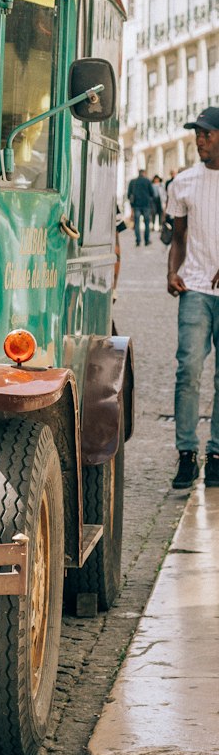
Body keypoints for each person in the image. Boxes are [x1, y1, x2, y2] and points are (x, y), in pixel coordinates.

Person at [166, 107, 219, 489]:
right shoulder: (183, 183)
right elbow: (178, 238)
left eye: (207, 134)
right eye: (196, 134)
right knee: (188, 372)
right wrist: (172, 271)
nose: (200, 140)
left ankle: (216, 455)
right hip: (196, 288)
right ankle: (186, 454)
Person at [126, 166, 155, 246]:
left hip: (136, 205)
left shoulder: (133, 182)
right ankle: (146, 240)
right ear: (144, 173)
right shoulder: (147, 181)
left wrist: (132, 204)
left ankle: (138, 240)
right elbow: (152, 193)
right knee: (146, 223)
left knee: (137, 224)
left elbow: (129, 194)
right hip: (146, 205)